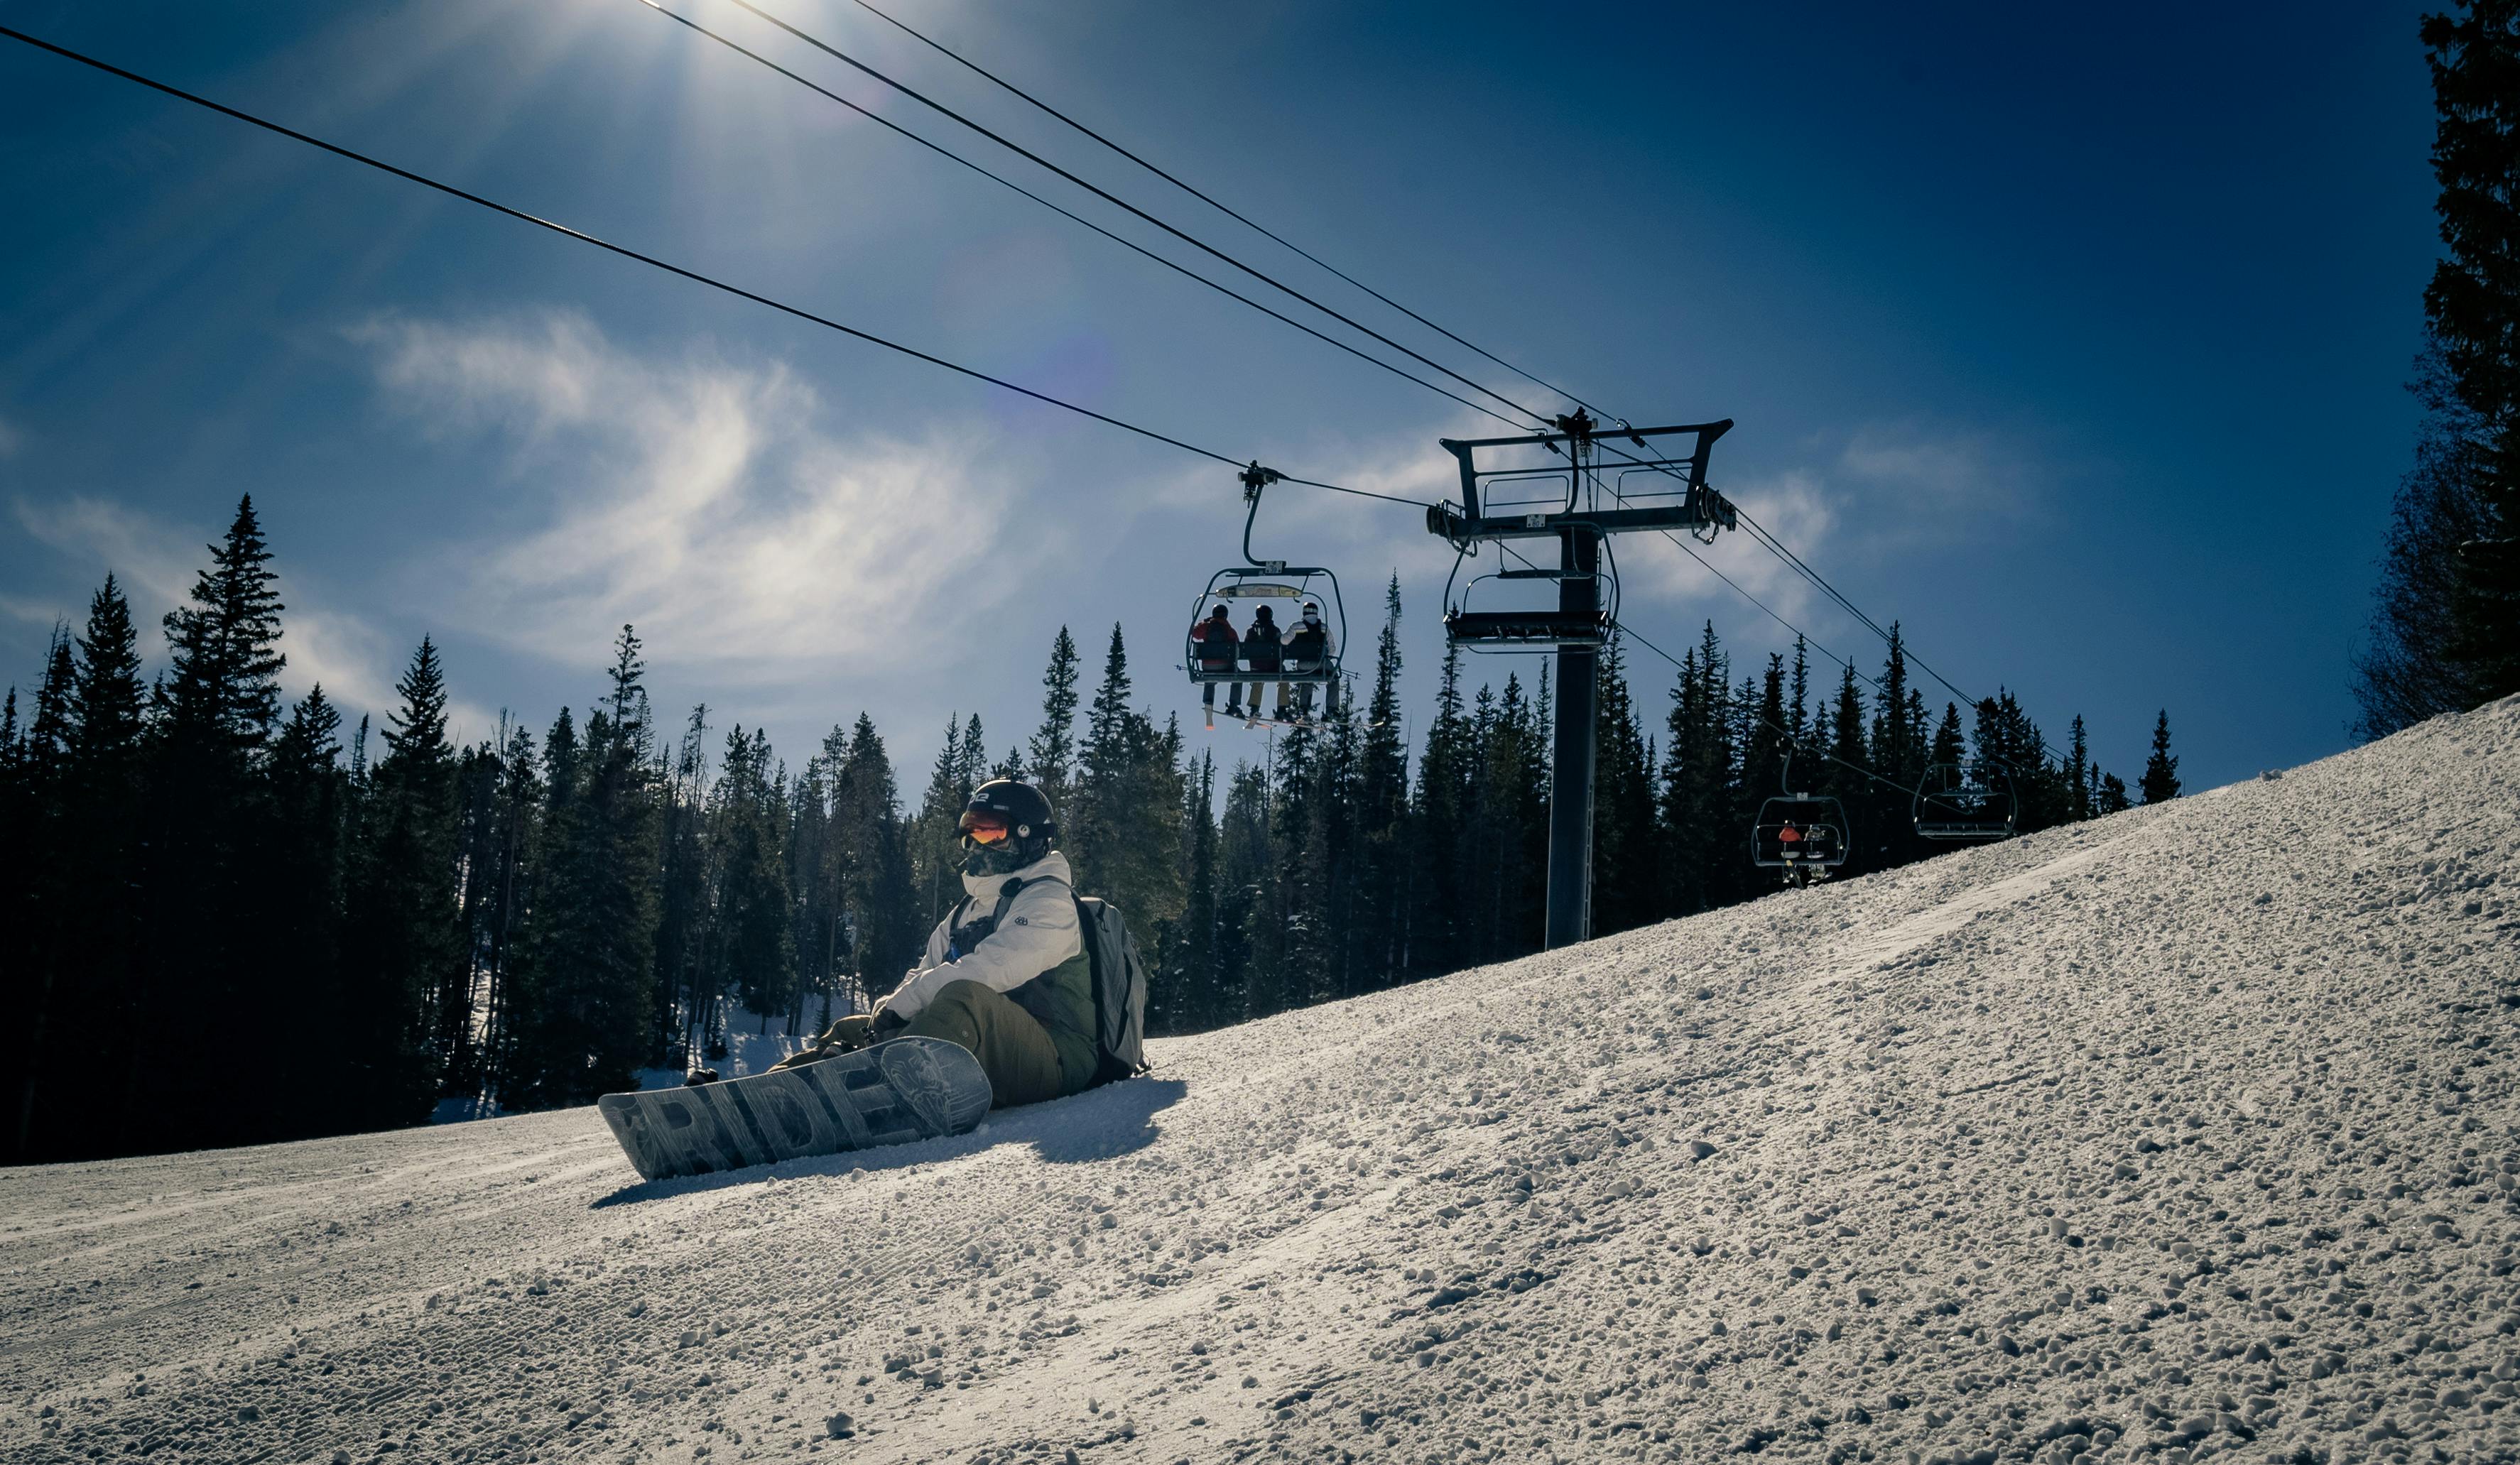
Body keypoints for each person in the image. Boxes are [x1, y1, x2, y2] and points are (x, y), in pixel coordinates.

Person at [768, 780, 1095, 1108]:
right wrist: (885, 1015)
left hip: (1058, 1056)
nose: (976, 846)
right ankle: (767, 1097)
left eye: (990, 833)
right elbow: (924, 976)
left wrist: (901, 1006)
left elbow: (989, 970)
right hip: (993, 1046)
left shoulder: (1050, 900)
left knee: (965, 995)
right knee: (854, 1030)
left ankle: (880, 1097)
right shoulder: (965, 912)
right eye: (971, 833)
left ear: (1028, 837)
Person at [1190, 604, 1247, 717]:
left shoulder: (1206, 627)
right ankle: (1233, 705)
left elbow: (1194, 633)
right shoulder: (1229, 630)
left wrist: (1203, 622)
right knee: (1238, 677)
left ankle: (1208, 702)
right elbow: (1237, 646)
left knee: (1209, 679)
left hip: (1207, 666)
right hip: (1225, 666)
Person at [1283, 600, 1335, 720]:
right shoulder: (1324, 628)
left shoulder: (1296, 627)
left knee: (1307, 679)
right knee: (1334, 677)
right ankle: (1332, 709)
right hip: (1321, 664)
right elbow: (1332, 649)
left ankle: (1304, 709)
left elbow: (1284, 641)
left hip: (1303, 664)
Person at [1243, 603, 1286, 720]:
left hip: (1257, 668)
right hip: (1274, 668)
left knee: (1258, 678)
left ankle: (1254, 707)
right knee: (1284, 676)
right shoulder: (1275, 631)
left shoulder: (1251, 632)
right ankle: (1282, 707)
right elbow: (1282, 648)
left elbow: (1245, 650)